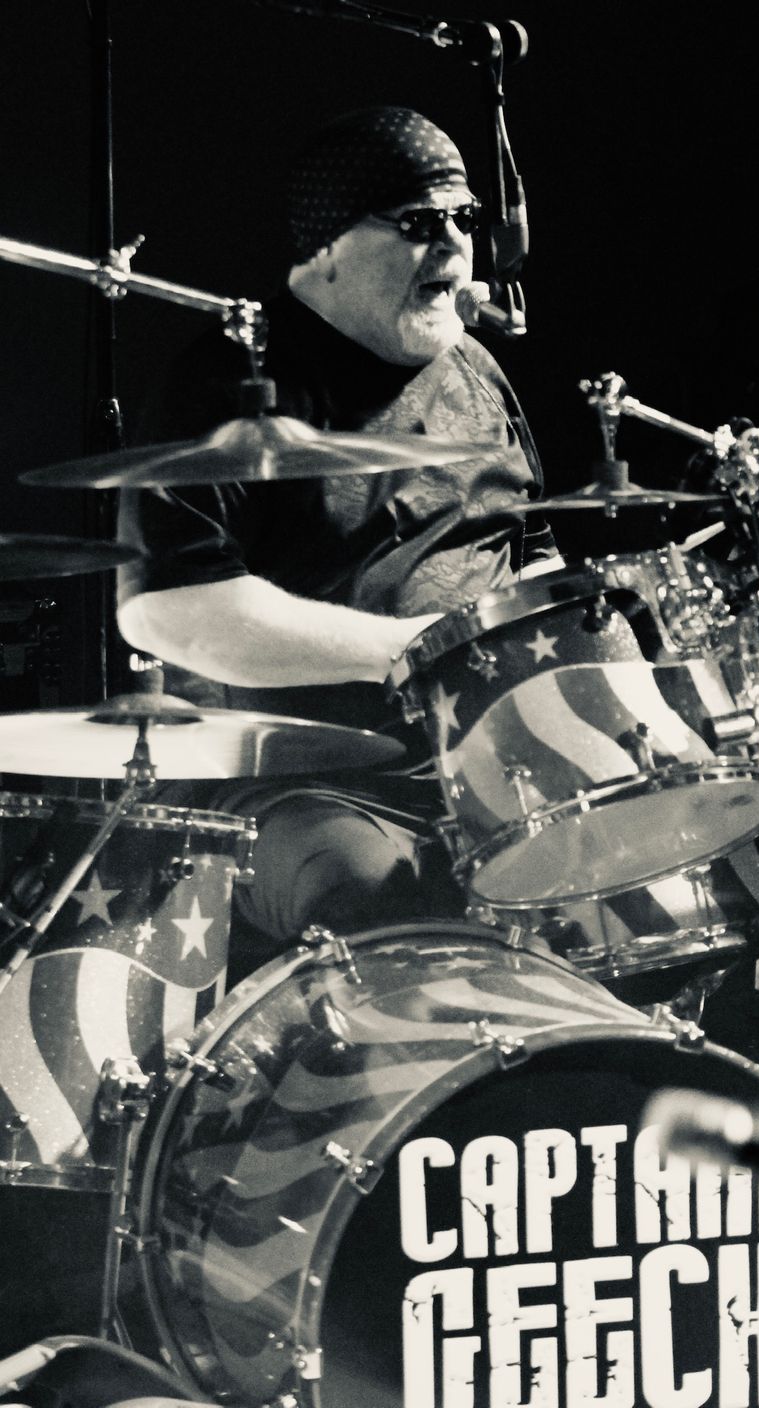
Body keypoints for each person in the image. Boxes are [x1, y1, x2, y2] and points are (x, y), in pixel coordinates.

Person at [116, 105, 555, 958]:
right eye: (418, 223)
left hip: (500, 768)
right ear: (325, 250)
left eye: (465, 219)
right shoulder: (231, 381)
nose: (455, 244)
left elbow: (531, 553)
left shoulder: (477, 370)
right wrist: (419, 649)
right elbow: (167, 611)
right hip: (303, 784)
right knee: (387, 917)